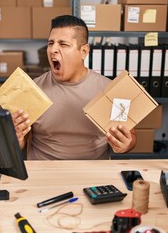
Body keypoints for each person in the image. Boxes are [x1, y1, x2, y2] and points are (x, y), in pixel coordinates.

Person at [12, 15, 137, 160]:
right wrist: (17, 138)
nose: (53, 49)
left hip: (93, 176)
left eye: (63, 44)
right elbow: (21, 141)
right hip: (45, 175)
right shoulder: (32, 90)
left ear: (83, 51)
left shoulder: (109, 90)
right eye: (50, 43)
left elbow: (131, 136)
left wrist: (125, 144)